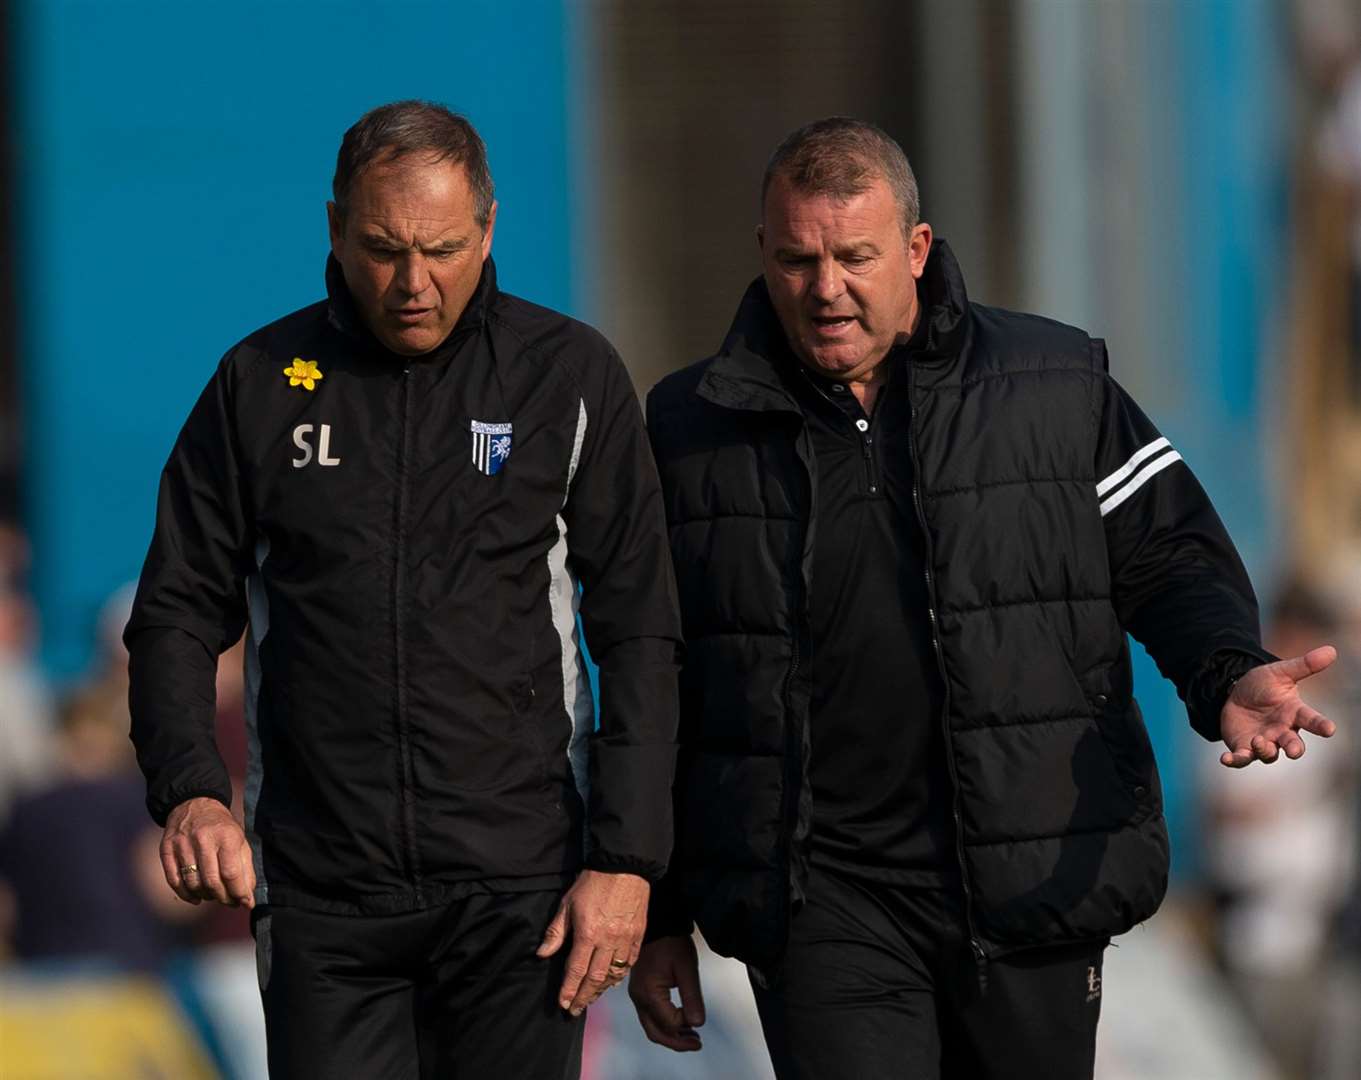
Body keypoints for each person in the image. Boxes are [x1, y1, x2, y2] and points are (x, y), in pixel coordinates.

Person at [629, 117, 1338, 1079]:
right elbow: (655, 674)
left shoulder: (1054, 384)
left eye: (855, 257)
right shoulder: (687, 425)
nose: (825, 289)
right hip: (821, 903)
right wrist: (657, 902)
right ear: (762, 251)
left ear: (915, 250)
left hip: (1029, 878)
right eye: (798, 260)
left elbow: (1169, 553)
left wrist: (1224, 671)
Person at [125, 100, 681, 1079]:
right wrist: (192, 793)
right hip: (323, 898)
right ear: (335, 227)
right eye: (382, 249)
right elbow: (174, 608)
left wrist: (626, 861)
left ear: (489, 227)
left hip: (524, 890)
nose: (414, 282)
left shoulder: (568, 375)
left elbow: (639, 631)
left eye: (443, 248)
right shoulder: (259, 383)